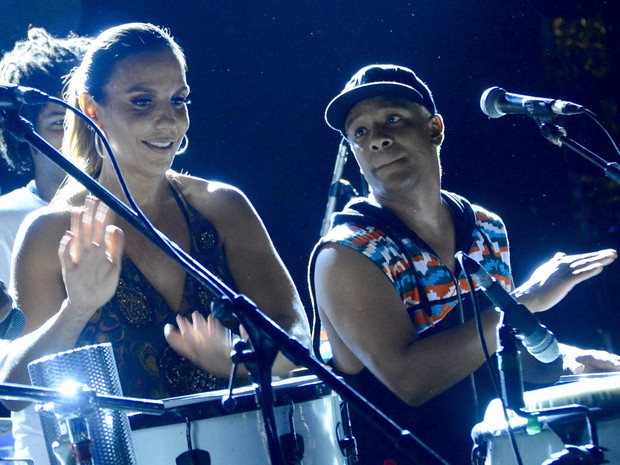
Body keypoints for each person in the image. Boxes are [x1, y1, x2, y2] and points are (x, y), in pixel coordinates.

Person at [0, 22, 311, 465]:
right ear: (93, 108)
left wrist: (240, 359)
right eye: (142, 101)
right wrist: (78, 309)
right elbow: (14, 387)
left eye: (179, 100)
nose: (168, 119)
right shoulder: (49, 231)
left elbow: (299, 338)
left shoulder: (222, 207)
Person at [309, 64, 619, 465]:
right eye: (360, 132)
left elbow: (493, 353)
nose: (378, 140)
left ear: (435, 129)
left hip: (497, 451)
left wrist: (571, 361)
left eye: (392, 119)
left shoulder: (486, 227)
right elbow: (410, 381)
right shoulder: (346, 253)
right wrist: (526, 299)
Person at [0, 27, 92, 288]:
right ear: (24, 132)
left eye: (88, 119)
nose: (79, 134)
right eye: (61, 122)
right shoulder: (4, 220)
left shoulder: (137, 209)